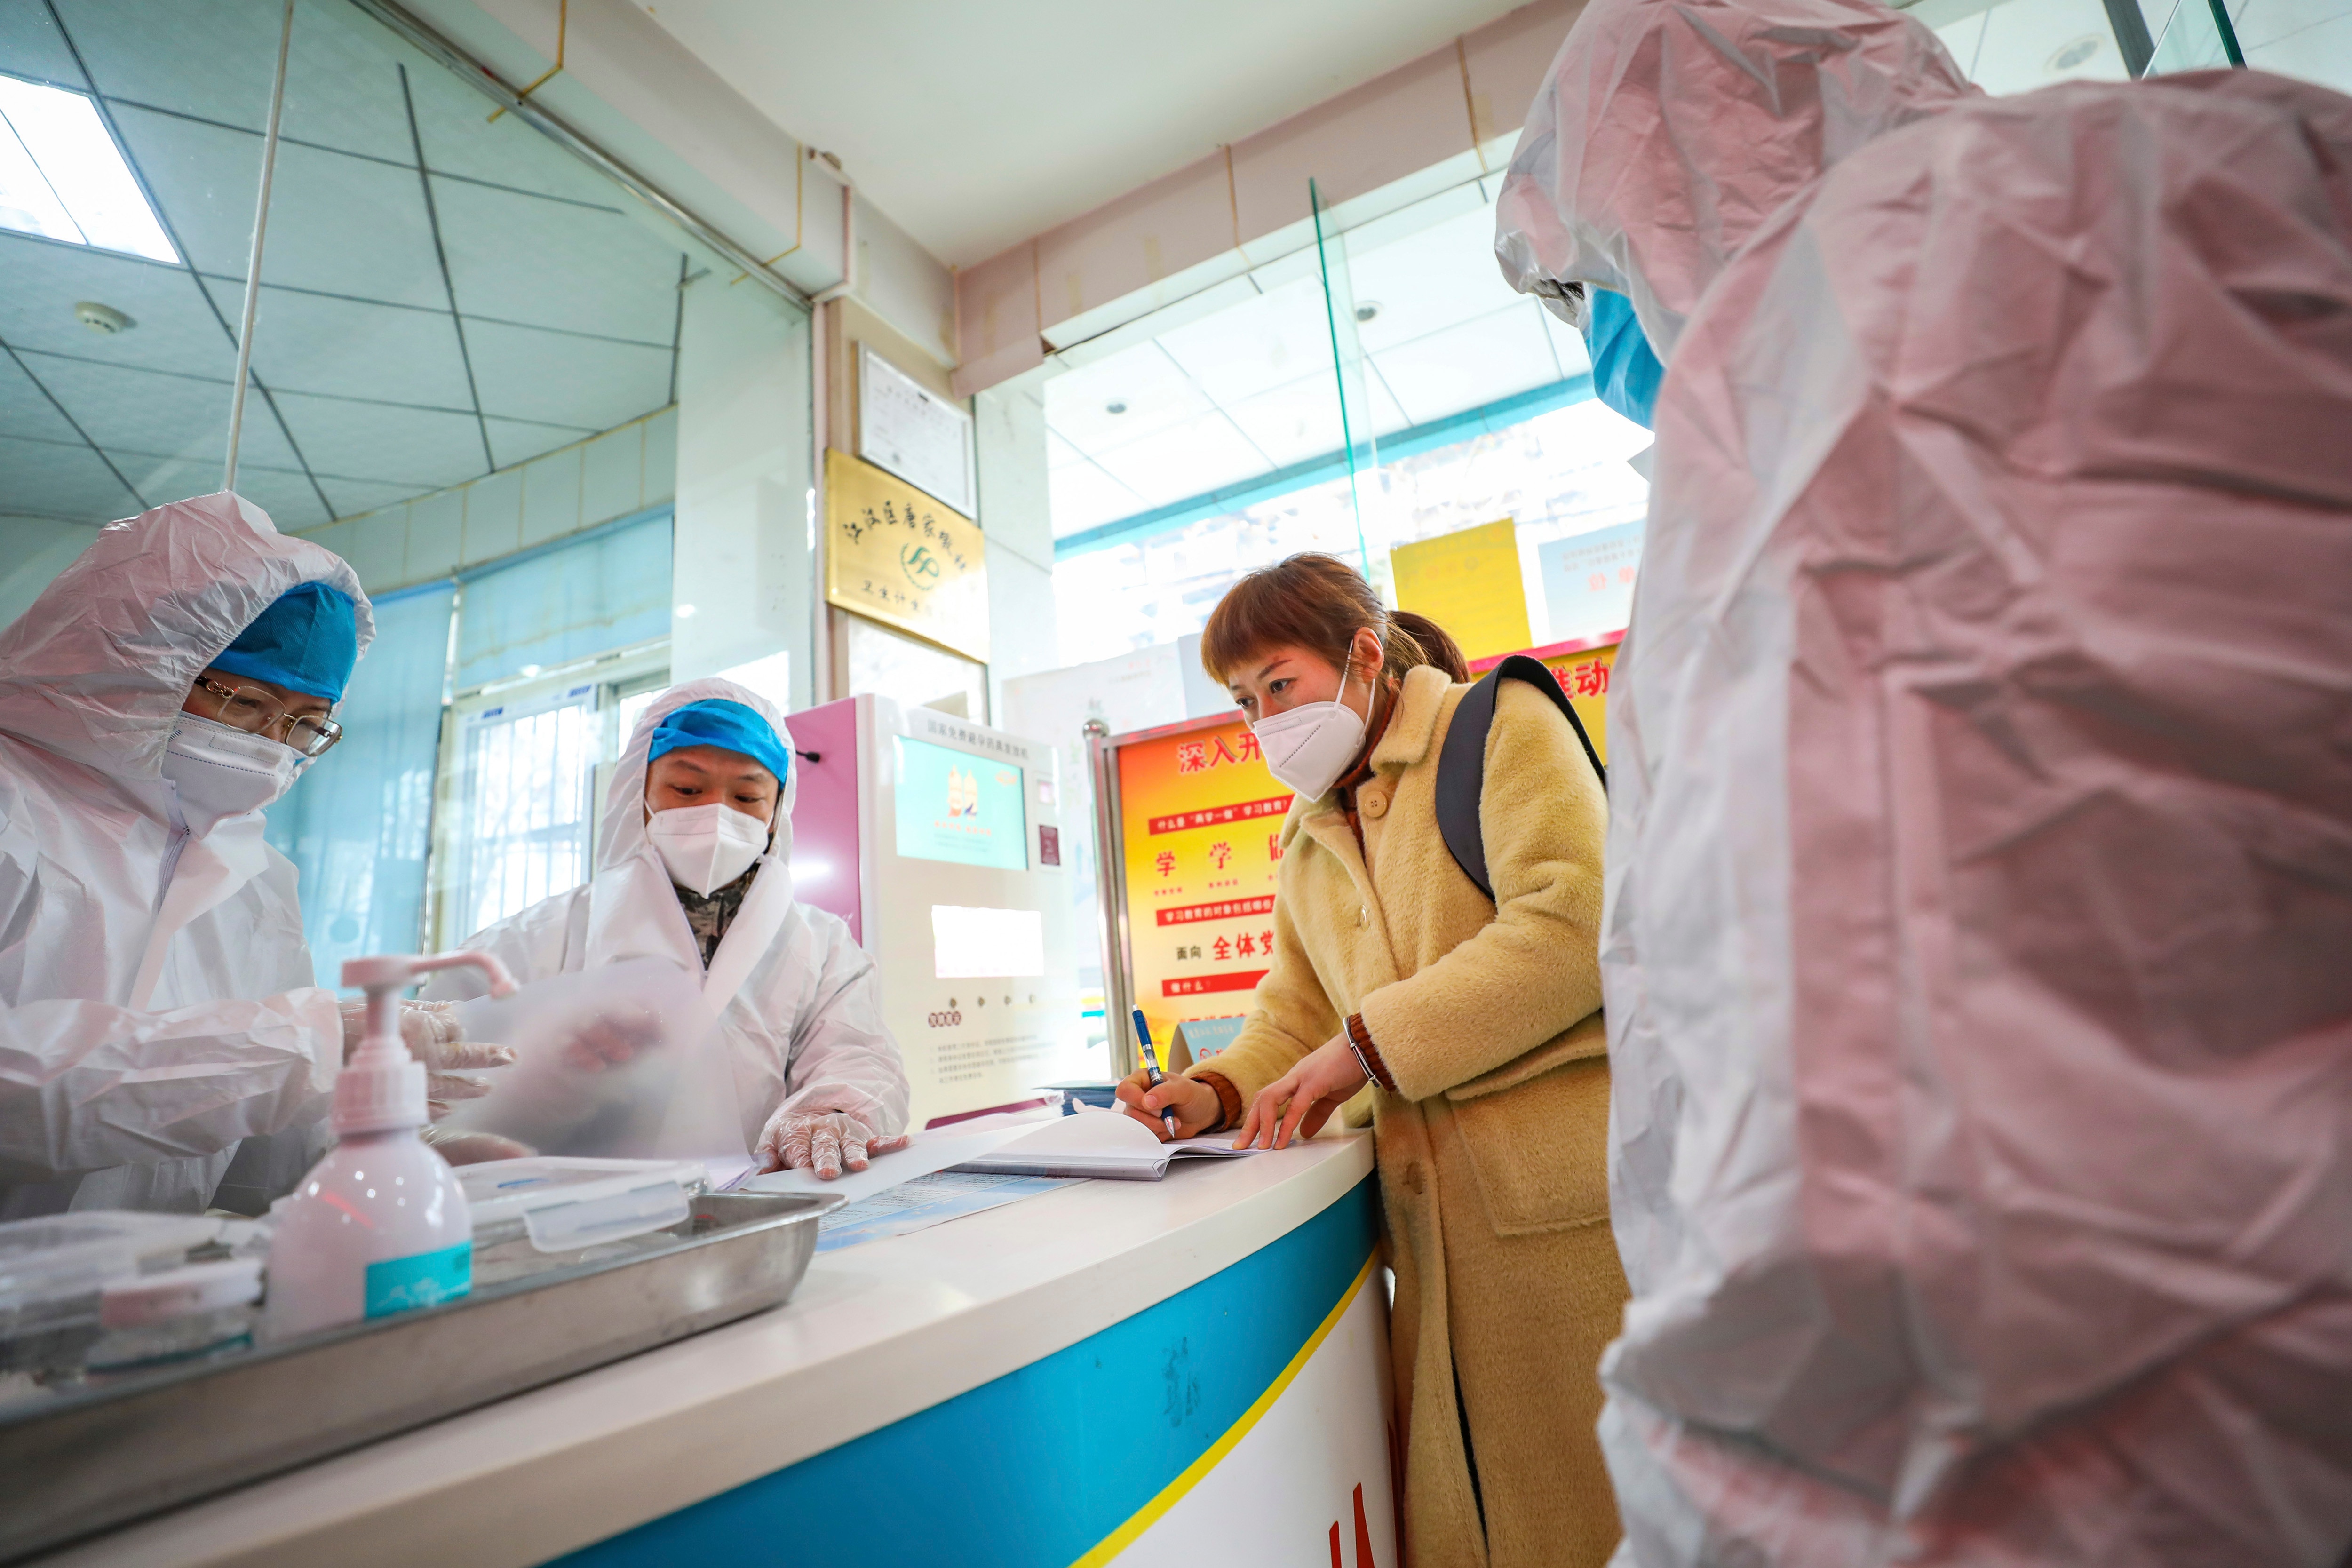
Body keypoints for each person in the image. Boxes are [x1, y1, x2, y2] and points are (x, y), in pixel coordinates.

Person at [1498, 1, 2352, 1561]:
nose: (1605, 338)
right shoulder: (2262, 150)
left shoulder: (1790, 398)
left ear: (1652, 176)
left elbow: (1802, 1080)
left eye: (1582, 282)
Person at [1114, 555, 1623, 1568]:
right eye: (1243, 700)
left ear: (1360, 653)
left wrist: (1368, 1044)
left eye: (1279, 683)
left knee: (1609, 1500)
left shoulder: (1498, 723)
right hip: (1431, 1231)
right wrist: (1212, 1089)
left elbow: (1578, 920)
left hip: (1567, 1215)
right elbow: (1293, 1015)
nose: (1263, 718)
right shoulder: (1308, 836)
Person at [0, 493, 509, 1217]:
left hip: (141, 1300)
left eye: (305, 725)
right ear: (140, 665)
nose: (268, 747)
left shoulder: (258, 880)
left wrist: (396, 1157)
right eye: (243, 703)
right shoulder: (14, 807)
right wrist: (297, 1048)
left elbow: (263, 1158)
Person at [427, 679, 910, 1179]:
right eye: (687, 789)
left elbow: (858, 1056)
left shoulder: (821, 945)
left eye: (747, 796)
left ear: (775, 814)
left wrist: (826, 1115)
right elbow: (427, 1084)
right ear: (638, 791)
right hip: (570, 1219)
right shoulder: (531, 940)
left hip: (756, 1210)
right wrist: (542, 1083)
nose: (716, 815)